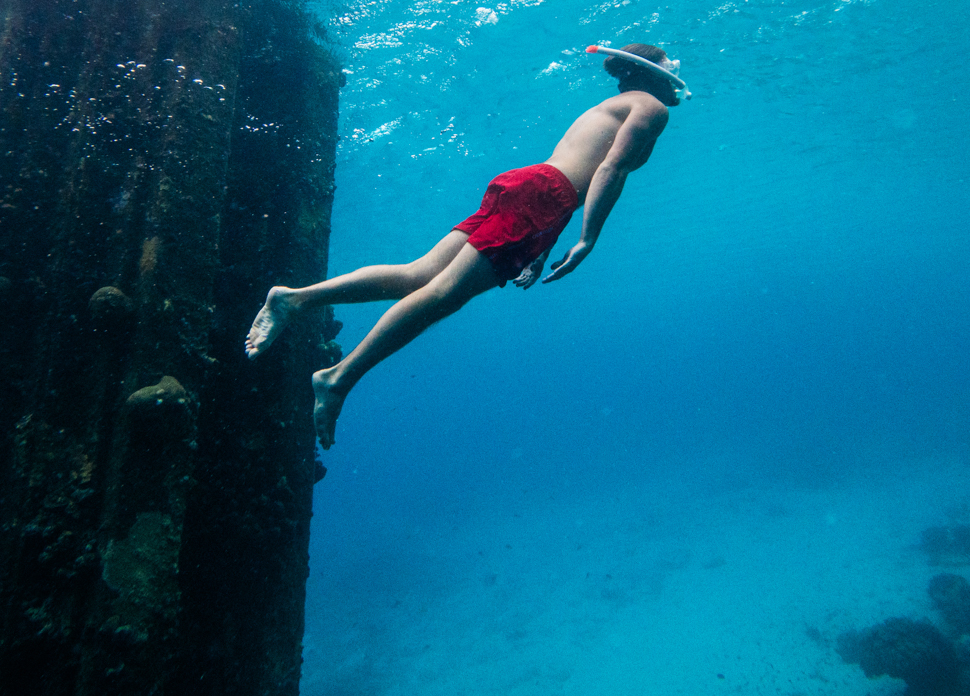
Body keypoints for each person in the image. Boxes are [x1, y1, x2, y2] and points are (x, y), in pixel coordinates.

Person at [245, 42, 684, 448]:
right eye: (672, 69)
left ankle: (294, 299)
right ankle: (337, 379)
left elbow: (575, 174)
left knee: (417, 274)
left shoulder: (615, 103)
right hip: (545, 197)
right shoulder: (651, 108)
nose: (676, 77)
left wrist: (544, 244)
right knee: (442, 295)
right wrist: (587, 239)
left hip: (531, 185)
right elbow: (609, 170)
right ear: (654, 75)